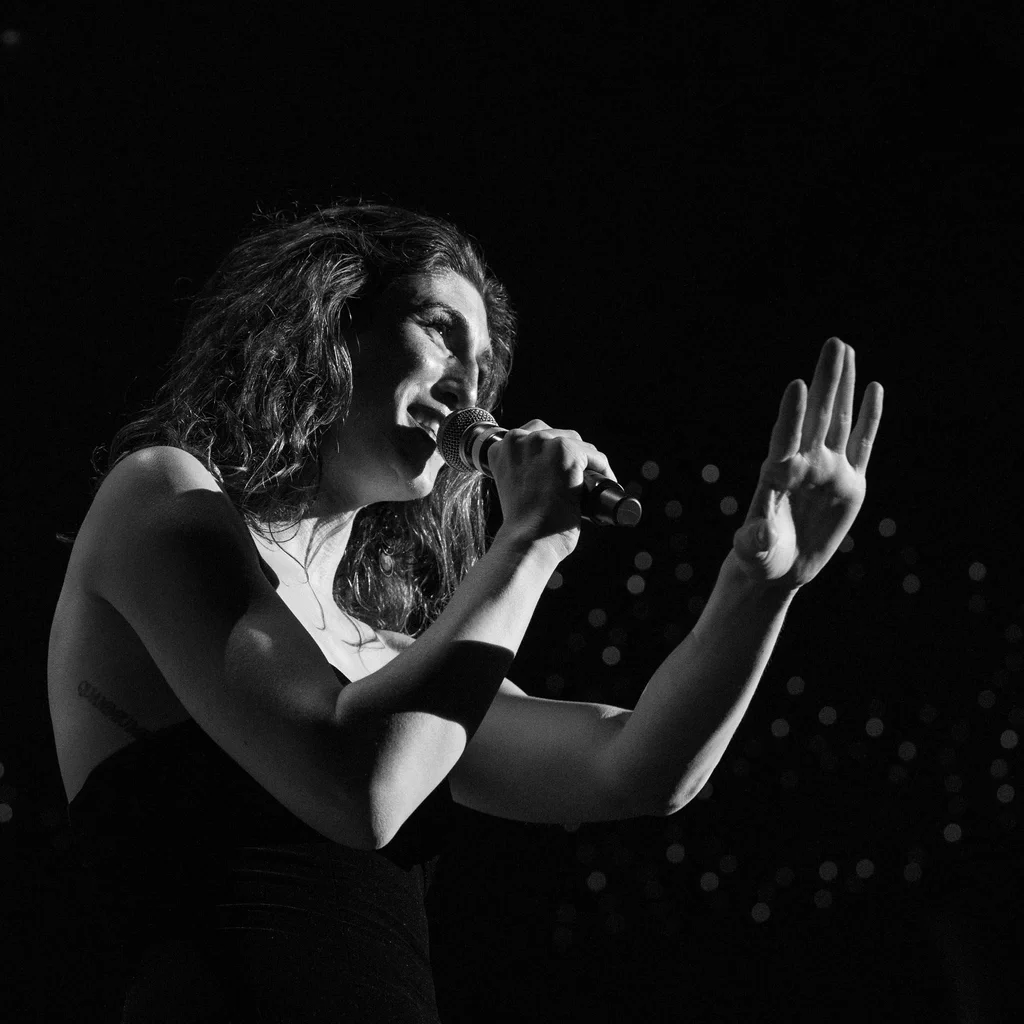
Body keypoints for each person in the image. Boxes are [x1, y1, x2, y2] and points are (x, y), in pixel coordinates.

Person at [48, 199, 883, 1022]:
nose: (471, 380)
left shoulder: (391, 657)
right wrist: (532, 543)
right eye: (441, 327)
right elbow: (356, 788)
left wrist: (762, 588)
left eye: (485, 361)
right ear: (332, 326)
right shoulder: (159, 496)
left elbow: (635, 766)